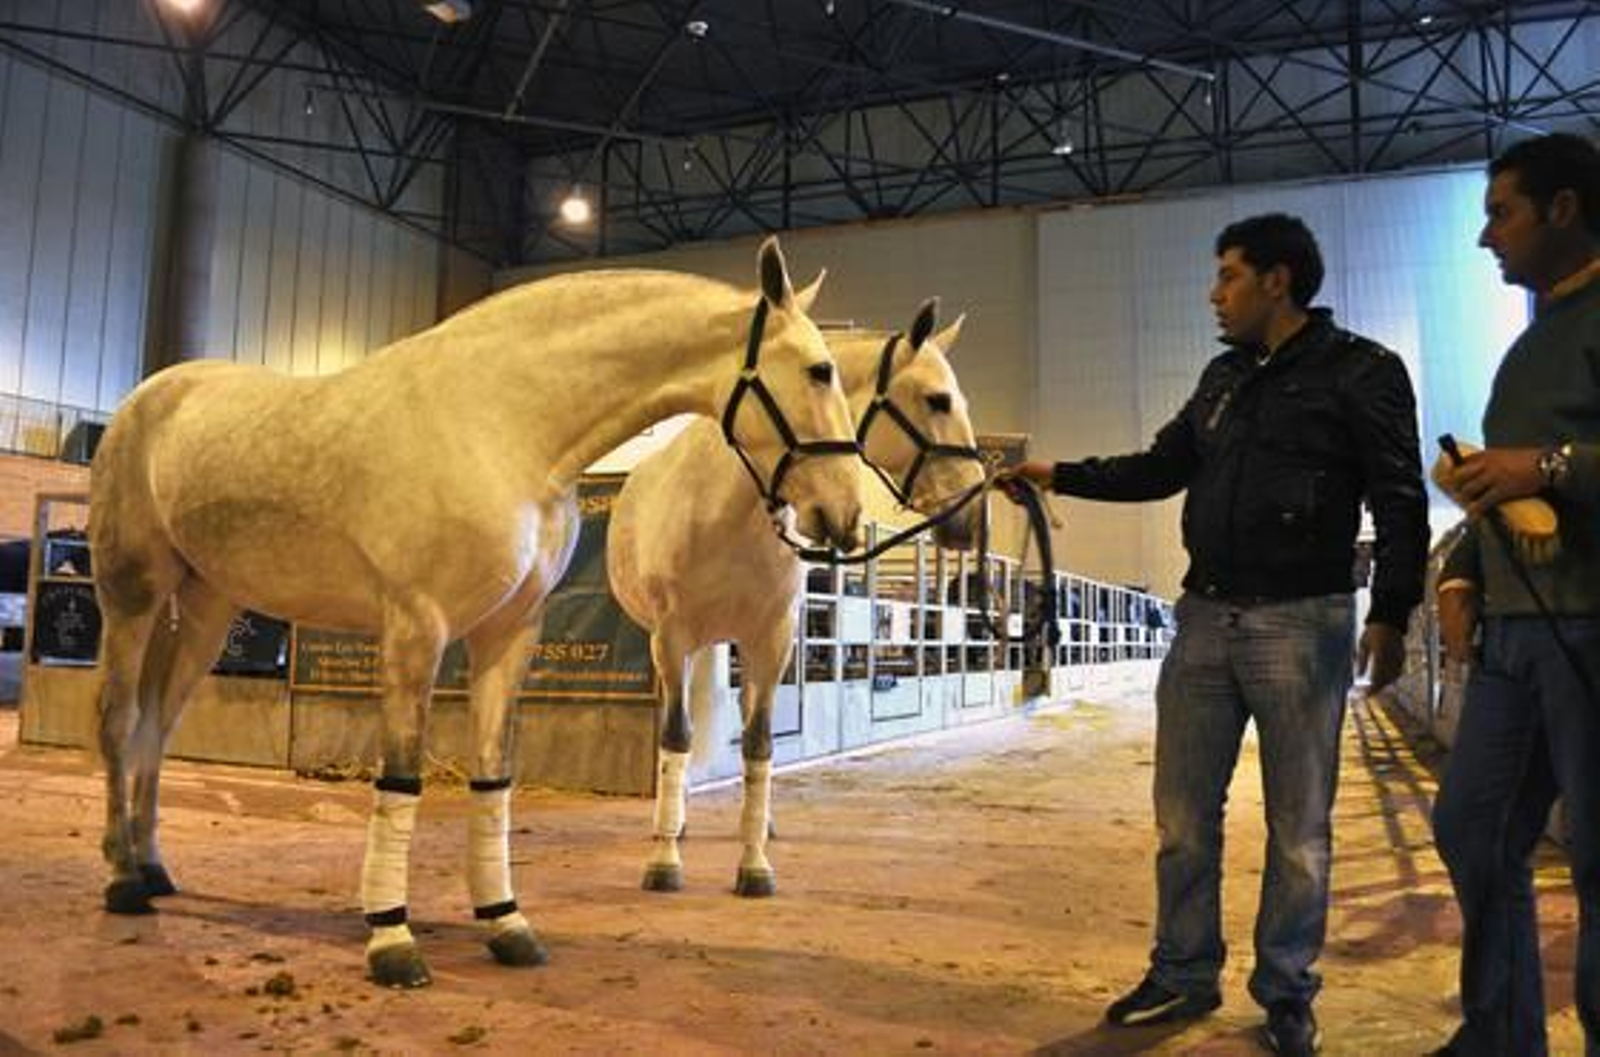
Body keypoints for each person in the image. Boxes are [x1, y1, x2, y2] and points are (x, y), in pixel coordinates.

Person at [1010, 213, 1428, 1055]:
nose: (1215, 292)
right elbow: (1163, 467)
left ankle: (1284, 990)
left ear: (1277, 280)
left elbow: (1399, 495)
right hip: (1202, 616)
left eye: (1229, 275)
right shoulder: (1224, 377)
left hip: (1304, 620)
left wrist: (1390, 611)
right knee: (1181, 817)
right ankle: (1182, 971)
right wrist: (1060, 475)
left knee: (1299, 827)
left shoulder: (1363, 372)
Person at [1430, 133, 1600, 1057]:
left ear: (1564, 208)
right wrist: (1461, 567)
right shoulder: (1529, 347)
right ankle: (1501, 1035)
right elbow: (1506, 487)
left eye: (1501, 213)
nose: (1486, 238)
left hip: (1589, 624)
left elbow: (1541, 468)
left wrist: (1552, 463)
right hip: (1515, 634)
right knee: (1471, 824)